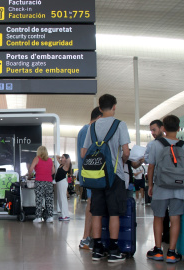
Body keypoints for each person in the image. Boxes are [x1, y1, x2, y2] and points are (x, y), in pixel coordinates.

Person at [81, 94, 130, 262]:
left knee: (97, 213)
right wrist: (122, 161)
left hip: (96, 176)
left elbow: (83, 152)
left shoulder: (92, 127)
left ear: (100, 108)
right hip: (115, 176)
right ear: (114, 106)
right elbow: (126, 152)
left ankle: (97, 249)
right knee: (114, 213)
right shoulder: (120, 125)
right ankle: (114, 250)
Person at [146, 115, 184, 264]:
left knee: (158, 217)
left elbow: (151, 166)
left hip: (160, 187)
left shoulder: (156, 144)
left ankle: (158, 250)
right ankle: (172, 252)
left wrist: (151, 185)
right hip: (178, 188)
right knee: (175, 218)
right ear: (179, 128)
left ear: (163, 128)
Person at [78, 107, 102, 249]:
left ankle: (89, 237)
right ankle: (86, 237)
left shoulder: (83, 130)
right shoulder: (89, 130)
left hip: (88, 173)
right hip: (92, 174)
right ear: (99, 117)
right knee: (92, 204)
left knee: (92, 203)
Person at [28, 145, 55, 223]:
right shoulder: (50, 160)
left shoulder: (37, 159)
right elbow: (53, 171)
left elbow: (31, 169)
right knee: (49, 199)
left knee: (39, 200)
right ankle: (50, 217)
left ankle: (38, 217)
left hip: (39, 182)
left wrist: (29, 176)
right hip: (49, 182)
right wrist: (47, 173)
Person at [55, 154, 72, 221]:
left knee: (63, 198)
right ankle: (63, 214)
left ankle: (65, 215)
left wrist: (66, 158)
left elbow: (69, 160)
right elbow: (56, 156)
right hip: (59, 183)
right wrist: (62, 158)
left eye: (63, 157)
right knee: (60, 199)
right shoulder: (61, 164)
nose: (61, 158)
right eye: (61, 157)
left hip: (62, 182)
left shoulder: (66, 165)